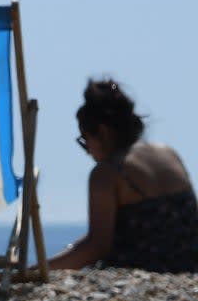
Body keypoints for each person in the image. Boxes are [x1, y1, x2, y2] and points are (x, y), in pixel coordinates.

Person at [48, 79, 198, 272]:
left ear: (103, 132)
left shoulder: (108, 173)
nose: (87, 150)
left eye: (85, 139)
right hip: (191, 267)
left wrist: (40, 270)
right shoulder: (167, 153)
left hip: (148, 269)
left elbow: (97, 246)